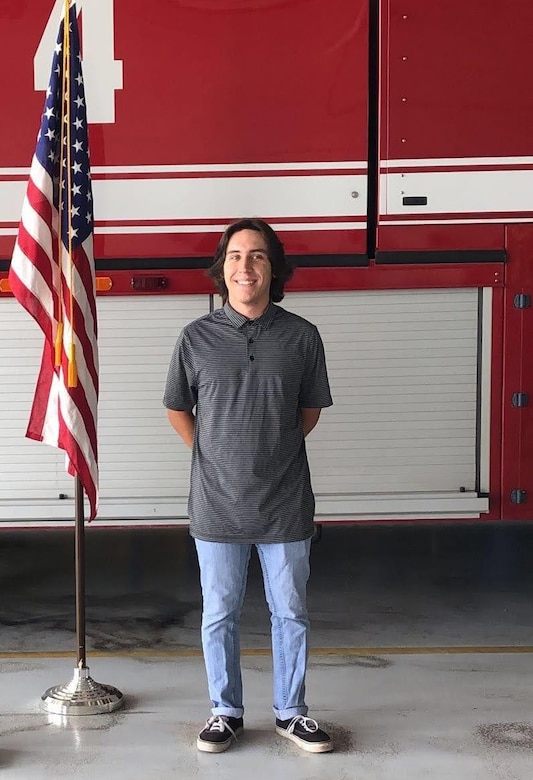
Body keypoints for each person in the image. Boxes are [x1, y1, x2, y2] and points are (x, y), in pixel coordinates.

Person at [163, 218, 333, 754]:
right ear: (222, 269)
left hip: (285, 503)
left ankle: (291, 712)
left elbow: (309, 412)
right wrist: (215, 456)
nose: (245, 267)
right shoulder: (195, 338)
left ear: (273, 268)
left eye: (257, 256)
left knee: (291, 611)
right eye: (235, 256)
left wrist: (269, 455)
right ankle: (225, 711)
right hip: (216, 506)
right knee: (220, 613)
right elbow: (177, 409)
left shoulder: (302, 336)